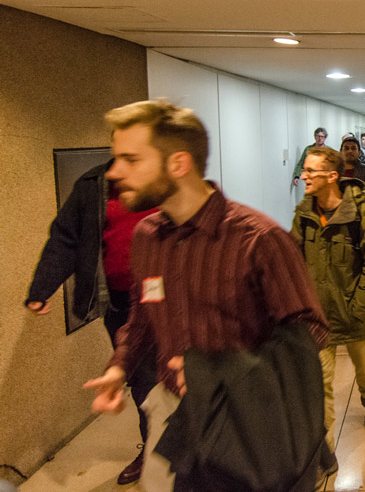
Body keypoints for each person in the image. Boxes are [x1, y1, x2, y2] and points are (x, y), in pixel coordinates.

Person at [84, 100, 330, 490]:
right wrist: (119, 367)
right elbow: (142, 317)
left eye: (130, 159)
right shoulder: (147, 237)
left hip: (245, 417)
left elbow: (311, 330)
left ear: (178, 163)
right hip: (173, 413)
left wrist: (222, 371)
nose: (114, 172)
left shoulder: (259, 239)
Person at [25, 160, 158, 485]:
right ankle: (154, 450)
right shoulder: (94, 183)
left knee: (178, 376)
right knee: (142, 380)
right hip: (119, 302)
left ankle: (191, 454)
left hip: (169, 298)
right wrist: (42, 287)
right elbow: (66, 237)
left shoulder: (164, 178)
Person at [292, 146, 365, 466]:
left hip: (353, 313)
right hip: (318, 317)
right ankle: (325, 452)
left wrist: (357, 308)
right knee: (320, 386)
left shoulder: (363, 215)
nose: (304, 176)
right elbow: (293, 262)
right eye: (305, 170)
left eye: (311, 171)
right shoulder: (304, 215)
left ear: (332, 176)